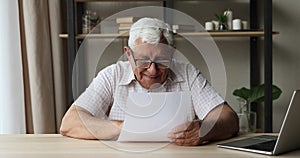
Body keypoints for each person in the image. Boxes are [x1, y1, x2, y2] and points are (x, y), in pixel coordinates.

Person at [60, 17, 239, 146]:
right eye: (143, 60)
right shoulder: (112, 75)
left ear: (172, 53)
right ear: (128, 54)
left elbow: (229, 119)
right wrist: (127, 127)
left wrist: (204, 129)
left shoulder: (187, 72)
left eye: (162, 60)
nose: (152, 70)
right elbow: (70, 124)